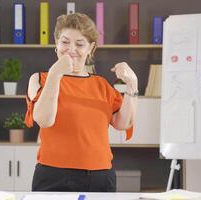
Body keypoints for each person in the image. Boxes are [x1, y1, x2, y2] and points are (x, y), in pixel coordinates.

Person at [25, 13, 138, 192]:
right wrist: (55, 74)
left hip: (100, 176)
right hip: (53, 176)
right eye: (65, 42)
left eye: (79, 44)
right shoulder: (40, 79)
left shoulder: (102, 85)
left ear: (90, 48)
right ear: (56, 43)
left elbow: (123, 123)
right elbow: (44, 119)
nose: (71, 49)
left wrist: (132, 84)